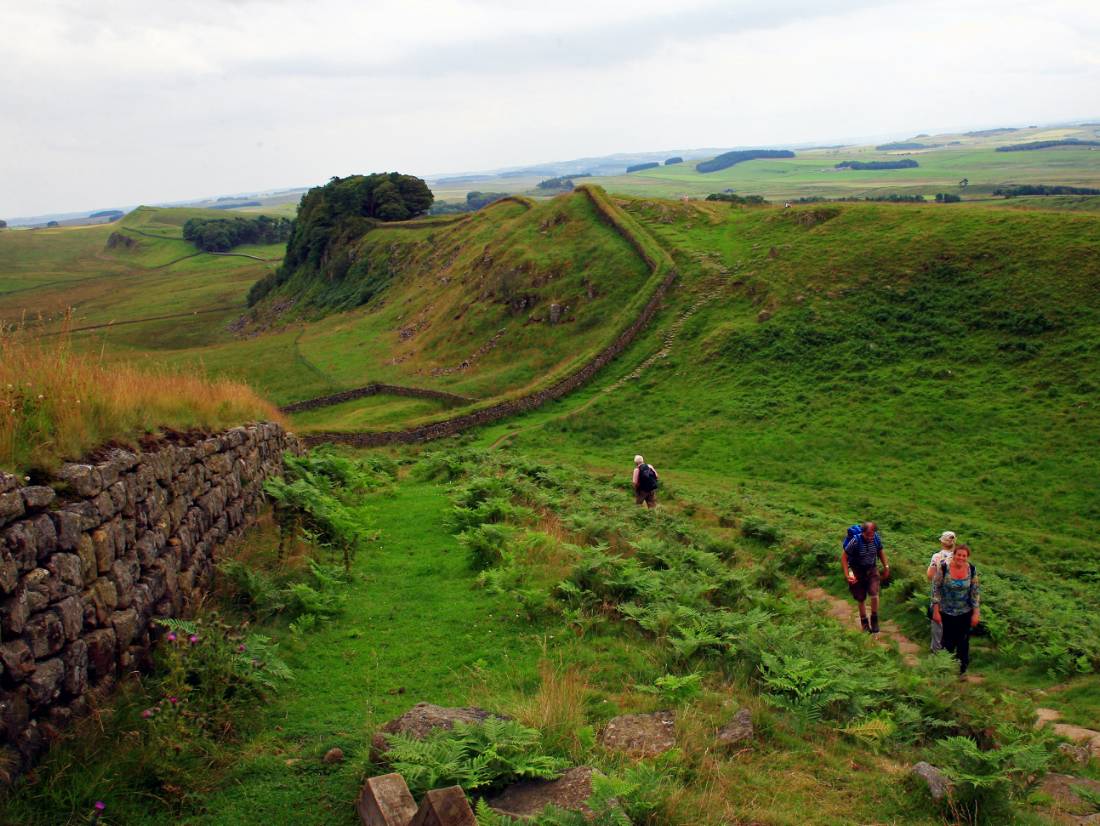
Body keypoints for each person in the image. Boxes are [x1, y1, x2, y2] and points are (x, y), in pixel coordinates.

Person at [931, 544, 981, 674]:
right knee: (947, 641)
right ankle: (944, 669)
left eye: (964, 556)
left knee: (963, 642)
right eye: (959, 555)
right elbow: (936, 590)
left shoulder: (972, 569)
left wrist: (976, 613)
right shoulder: (943, 568)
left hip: (965, 612)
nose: (961, 558)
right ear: (954, 555)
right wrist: (936, 611)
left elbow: (975, 592)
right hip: (946, 611)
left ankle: (962, 671)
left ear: (967, 557)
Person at [841, 521, 890, 633]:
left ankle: (874, 618)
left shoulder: (876, 538)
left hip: (871, 569)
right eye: (867, 534)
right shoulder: (855, 541)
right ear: (862, 532)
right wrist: (847, 574)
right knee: (861, 597)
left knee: (874, 593)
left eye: (872, 534)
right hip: (857, 571)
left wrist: (886, 566)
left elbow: (881, 552)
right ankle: (864, 623)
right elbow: (844, 557)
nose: (870, 537)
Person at [927, 531, 957, 652]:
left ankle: (936, 651)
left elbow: (930, 575)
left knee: (938, 623)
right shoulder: (960, 556)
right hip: (956, 594)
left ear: (942, 542)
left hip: (939, 593)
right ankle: (949, 652)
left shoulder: (937, 557)